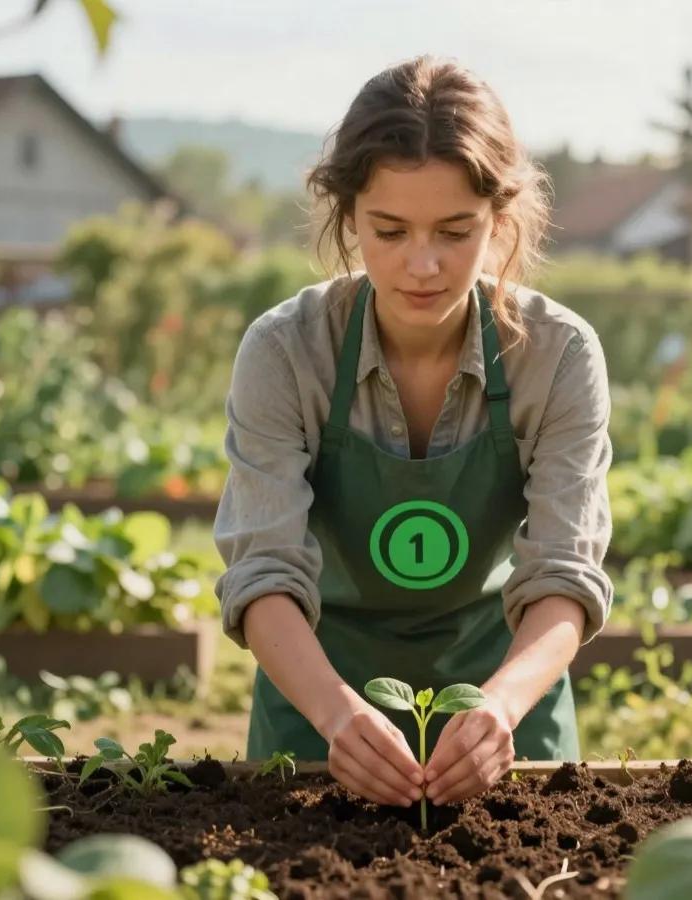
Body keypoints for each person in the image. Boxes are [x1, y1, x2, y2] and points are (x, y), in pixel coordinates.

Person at [213, 55, 613, 812]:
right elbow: (262, 569)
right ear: (348, 215)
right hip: (317, 706)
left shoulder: (556, 355)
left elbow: (565, 572)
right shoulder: (286, 351)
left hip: (502, 707)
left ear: (500, 220)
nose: (421, 265)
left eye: (455, 231)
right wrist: (336, 713)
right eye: (389, 230)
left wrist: (499, 707)